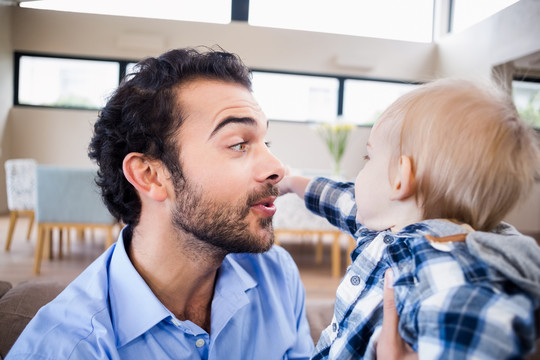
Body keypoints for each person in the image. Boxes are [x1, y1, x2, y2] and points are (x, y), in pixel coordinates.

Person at [7, 47, 315, 359]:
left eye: (266, 143)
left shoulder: (276, 274)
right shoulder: (70, 348)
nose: (277, 167)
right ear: (150, 175)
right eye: (238, 144)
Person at [279, 78, 540, 359]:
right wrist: (293, 182)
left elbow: (478, 335)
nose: (358, 176)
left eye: (368, 158)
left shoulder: (443, 266)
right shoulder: (391, 227)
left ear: (401, 179)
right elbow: (341, 200)